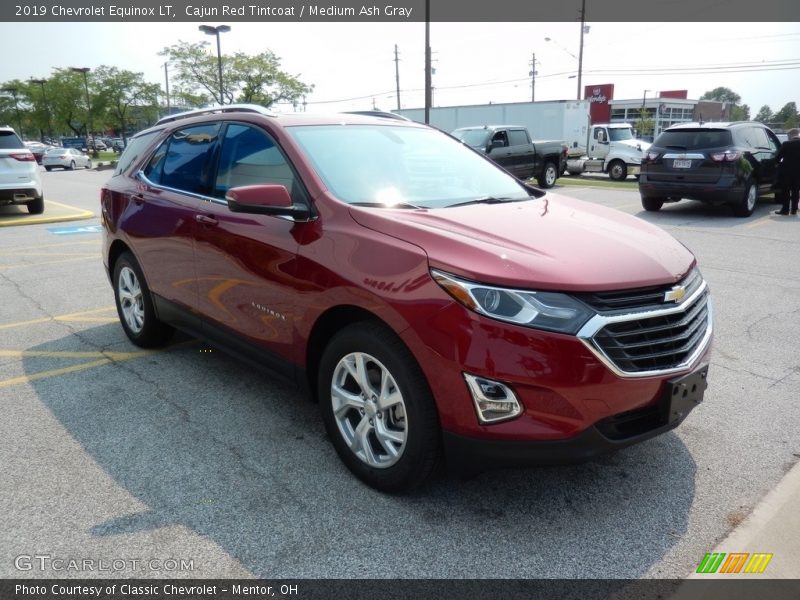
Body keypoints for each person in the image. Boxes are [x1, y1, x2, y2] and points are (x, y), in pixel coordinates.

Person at [775, 128, 800, 215]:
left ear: (790, 135)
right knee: (796, 190)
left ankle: (785, 209)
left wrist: (775, 164)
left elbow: (778, 157)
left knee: (785, 191)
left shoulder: (786, 144)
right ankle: (794, 209)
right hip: (798, 172)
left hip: (786, 172)